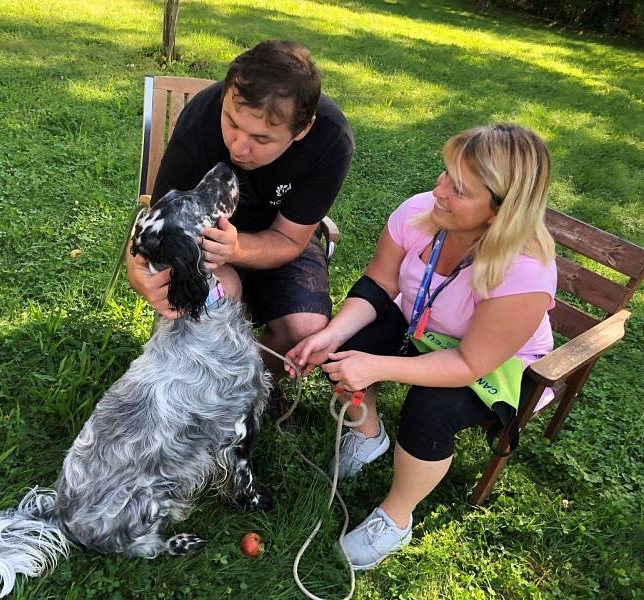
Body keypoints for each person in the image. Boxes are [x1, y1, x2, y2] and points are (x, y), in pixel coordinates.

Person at [285, 123, 557, 570]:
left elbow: (470, 363)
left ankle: (395, 517)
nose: (439, 190)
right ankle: (367, 436)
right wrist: (331, 336)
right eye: (446, 174)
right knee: (345, 346)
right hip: (423, 327)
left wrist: (377, 366)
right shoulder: (420, 213)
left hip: (499, 364)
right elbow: (379, 282)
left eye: (460, 189)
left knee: (431, 408)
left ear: (499, 212)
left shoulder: (524, 272)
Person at [125, 40, 354, 385]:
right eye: (231, 123)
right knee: (212, 298)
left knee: (304, 329)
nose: (238, 147)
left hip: (278, 236)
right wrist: (137, 270)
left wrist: (235, 248)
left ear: (301, 130)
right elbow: (161, 217)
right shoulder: (201, 116)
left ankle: (253, 390)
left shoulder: (329, 139)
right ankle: (195, 388)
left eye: (261, 140)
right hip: (204, 241)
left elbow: (290, 239)